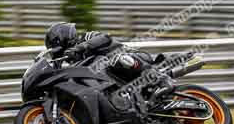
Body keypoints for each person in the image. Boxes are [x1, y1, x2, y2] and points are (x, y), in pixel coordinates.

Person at [44, 22, 175, 108]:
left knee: (118, 59)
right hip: (118, 79)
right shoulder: (74, 61)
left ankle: (161, 79)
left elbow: (105, 37)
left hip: (134, 58)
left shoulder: (86, 37)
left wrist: (81, 47)